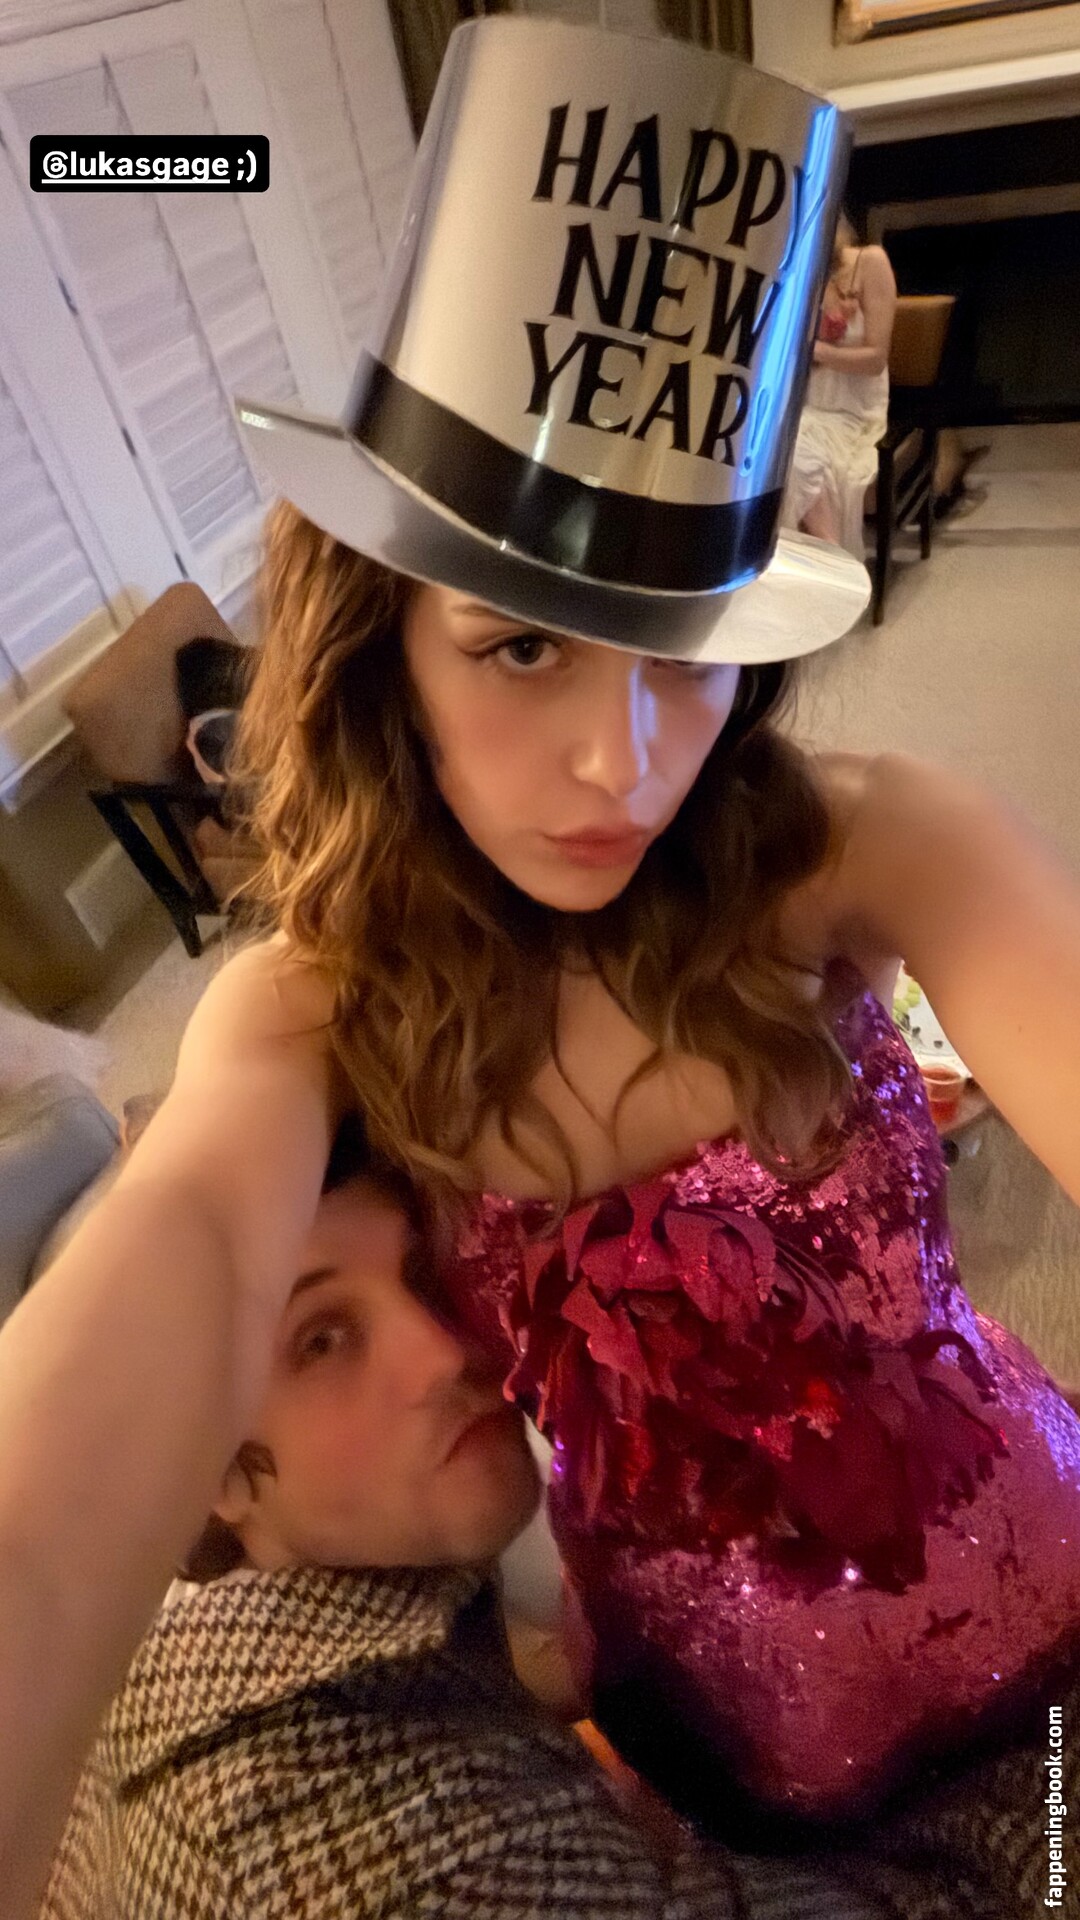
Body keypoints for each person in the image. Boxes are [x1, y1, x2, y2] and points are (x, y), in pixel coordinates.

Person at [2, 18, 1079, 1905]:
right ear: (386, 649)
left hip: (1047, 1622)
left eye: (680, 645)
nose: (623, 764)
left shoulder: (869, 844)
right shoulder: (307, 1010)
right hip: (700, 1724)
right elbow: (182, 1253)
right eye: (519, 647)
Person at [37, 1121, 1080, 1920]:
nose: (446, 1351)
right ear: (202, 1471)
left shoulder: (163, 1644)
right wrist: (1050, 1710)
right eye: (321, 1340)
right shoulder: (402, 1866)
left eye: (423, 1276)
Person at [782, 214, 898, 556]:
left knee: (794, 454)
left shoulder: (870, 262)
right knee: (767, 451)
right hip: (806, 407)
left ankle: (832, 555)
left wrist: (812, 349)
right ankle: (817, 558)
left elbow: (875, 360)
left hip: (853, 414)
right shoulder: (801, 273)